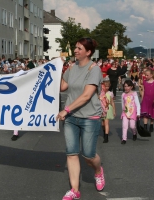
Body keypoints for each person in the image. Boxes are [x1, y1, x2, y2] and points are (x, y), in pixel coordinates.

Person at [57, 37, 105, 200]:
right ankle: (75, 190)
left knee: (89, 155)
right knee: (71, 153)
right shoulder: (72, 67)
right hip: (71, 118)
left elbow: (86, 96)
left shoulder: (94, 69)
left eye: (79, 48)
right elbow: (63, 86)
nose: (75, 51)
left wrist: (65, 109)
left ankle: (98, 171)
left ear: (88, 52)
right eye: (75, 48)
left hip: (89, 117)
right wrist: (56, 70)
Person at [120, 80, 140, 144]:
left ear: (131, 87)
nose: (126, 88)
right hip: (125, 112)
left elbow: (137, 104)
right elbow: (122, 104)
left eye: (128, 86)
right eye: (125, 86)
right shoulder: (123, 94)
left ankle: (134, 133)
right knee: (124, 125)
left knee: (132, 126)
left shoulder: (134, 94)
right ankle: (124, 139)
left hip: (133, 112)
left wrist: (138, 113)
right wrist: (123, 111)